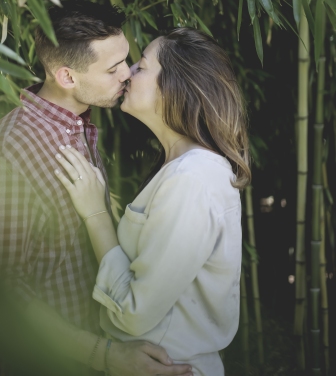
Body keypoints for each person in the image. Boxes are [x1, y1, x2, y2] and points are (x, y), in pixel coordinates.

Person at [0, 0, 192, 376]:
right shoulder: (8, 154)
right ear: (67, 77)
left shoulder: (77, 127)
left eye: (126, 59)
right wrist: (103, 355)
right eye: (113, 68)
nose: (128, 74)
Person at [53, 28, 251, 376]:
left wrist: (96, 213)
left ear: (175, 86)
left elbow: (135, 312)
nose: (127, 72)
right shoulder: (182, 170)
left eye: (141, 66)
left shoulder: (192, 180)